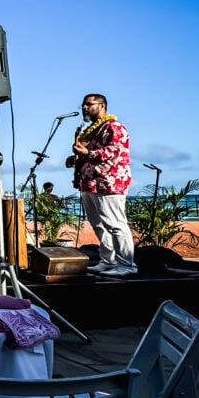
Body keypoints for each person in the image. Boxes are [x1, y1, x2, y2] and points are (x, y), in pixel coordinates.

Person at [66, 93, 136, 277]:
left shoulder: (114, 126)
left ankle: (127, 264)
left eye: (89, 104)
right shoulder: (93, 129)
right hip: (90, 182)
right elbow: (91, 152)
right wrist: (76, 158)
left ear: (102, 105)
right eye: (83, 104)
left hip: (109, 181)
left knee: (115, 224)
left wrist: (87, 153)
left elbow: (113, 151)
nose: (84, 108)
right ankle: (108, 260)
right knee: (98, 224)